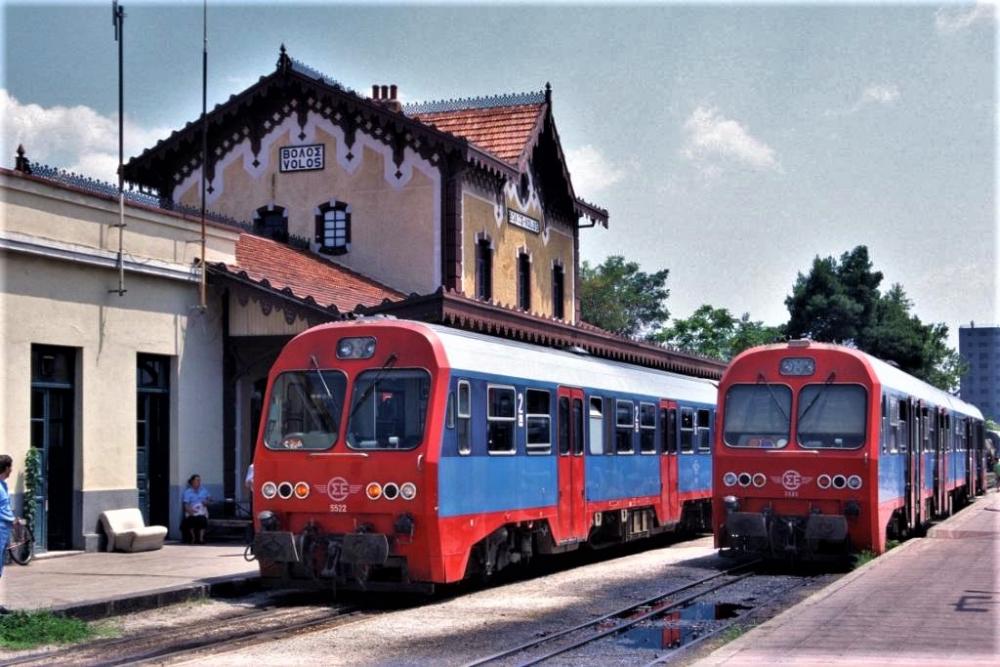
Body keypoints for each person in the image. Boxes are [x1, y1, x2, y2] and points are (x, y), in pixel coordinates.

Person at [1, 455, 15, 611]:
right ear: (6, 468)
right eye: (10, 467)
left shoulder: (3, 485)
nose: (11, 470)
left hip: (4, 530)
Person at [181, 474, 211, 544]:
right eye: (197, 480)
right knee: (190, 520)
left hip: (202, 510)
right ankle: (193, 538)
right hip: (192, 510)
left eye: (199, 480)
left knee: (202, 519)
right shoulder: (188, 492)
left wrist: (207, 502)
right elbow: (186, 504)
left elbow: (210, 499)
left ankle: (201, 539)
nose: (199, 482)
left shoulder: (204, 490)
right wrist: (190, 510)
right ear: (192, 482)